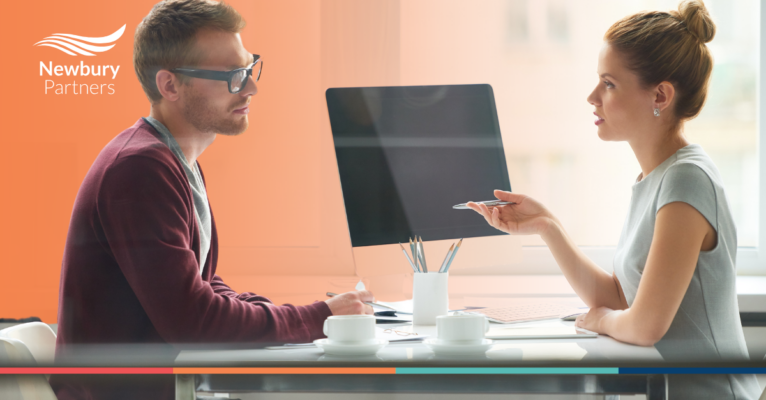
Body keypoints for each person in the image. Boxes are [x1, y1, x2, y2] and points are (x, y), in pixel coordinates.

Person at [51, 0, 373, 398]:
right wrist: (318, 317)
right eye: (232, 76)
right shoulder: (139, 170)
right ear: (169, 85)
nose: (251, 86)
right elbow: (194, 321)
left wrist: (286, 313)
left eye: (249, 67)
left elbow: (199, 284)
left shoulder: (172, 159)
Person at [468, 1, 761, 399]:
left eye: (609, 83)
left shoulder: (686, 180)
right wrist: (548, 226)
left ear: (660, 95)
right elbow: (623, 298)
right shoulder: (655, 178)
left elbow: (643, 325)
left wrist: (603, 321)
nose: (592, 96)